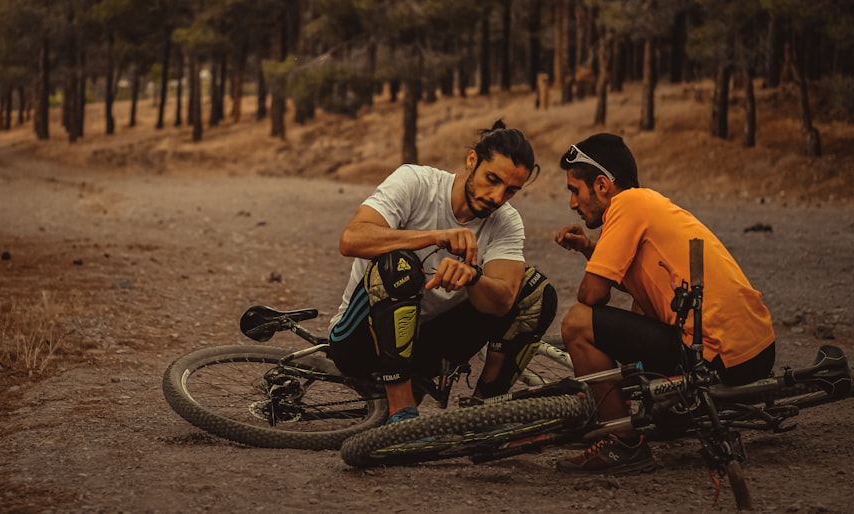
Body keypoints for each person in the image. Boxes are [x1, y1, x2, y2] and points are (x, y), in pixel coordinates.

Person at [553, 133, 776, 474]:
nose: (572, 203)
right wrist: (588, 249)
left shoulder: (627, 205)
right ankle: (638, 407)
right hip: (752, 348)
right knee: (639, 309)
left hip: (716, 354)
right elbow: (645, 287)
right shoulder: (648, 203)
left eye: (574, 190)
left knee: (578, 323)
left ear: (601, 185)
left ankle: (624, 445)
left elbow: (592, 296)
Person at [328, 120, 558, 424]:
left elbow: (503, 302)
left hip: (427, 347)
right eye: (492, 179)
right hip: (362, 340)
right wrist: (435, 237)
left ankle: (484, 414)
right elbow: (351, 239)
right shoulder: (416, 182)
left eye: (511, 190)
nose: (497, 197)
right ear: (472, 160)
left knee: (535, 292)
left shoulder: (506, 222)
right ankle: (403, 416)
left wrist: (473, 276)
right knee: (399, 265)